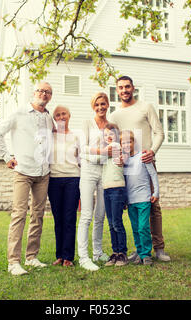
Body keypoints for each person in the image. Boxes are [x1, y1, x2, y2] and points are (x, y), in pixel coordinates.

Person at [0, 81, 55, 276]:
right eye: (40, 91)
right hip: (23, 171)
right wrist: (6, 156)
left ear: (50, 97)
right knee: (19, 214)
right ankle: (13, 262)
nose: (43, 94)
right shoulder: (19, 113)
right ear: (34, 92)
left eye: (48, 92)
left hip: (43, 173)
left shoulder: (48, 117)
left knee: (38, 215)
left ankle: (31, 257)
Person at [109, 76, 171, 262]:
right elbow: (112, 141)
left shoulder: (145, 107)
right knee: (133, 207)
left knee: (153, 205)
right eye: (120, 87)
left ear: (133, 88)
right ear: (117, 90)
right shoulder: (114, 115)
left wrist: (152, 151)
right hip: (126, 168)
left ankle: (159, 248)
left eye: (127, 86)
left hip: (145, 163)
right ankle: (139, 249)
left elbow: (159, 132)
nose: (124, 90)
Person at [77, 92, 111, 271]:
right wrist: (102, 151)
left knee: (100, 215)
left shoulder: (112, 126)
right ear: (93, 106)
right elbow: (82, 149)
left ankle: (98, 252)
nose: (100, 107)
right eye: (97, 104)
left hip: (105, 171)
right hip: (89, 170)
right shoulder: (87, 124)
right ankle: (84, 257)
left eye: (103, 104)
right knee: (87, 215)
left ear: (107, 105)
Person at [48, 105, 81, 267]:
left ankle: (68, 256)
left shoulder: (76, 136)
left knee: (69, 218)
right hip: (54, 180)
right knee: (58, 218)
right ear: (54, 118)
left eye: (64, 114)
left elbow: (81, 160)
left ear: (69, 116)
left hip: (72, 180)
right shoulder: (50, 136)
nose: (61, 117)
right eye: (58, 115)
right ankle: (59, 255)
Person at [121, 130, 159, 265]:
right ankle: (139, 252)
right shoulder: (124, 161)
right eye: (123, 142)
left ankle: (146, 254)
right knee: (136, 228)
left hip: (144, 198)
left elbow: (153, 175)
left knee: (143, 227)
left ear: (133, 142)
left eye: (129, 142)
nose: (126, 145)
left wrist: (156, 193)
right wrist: (124, 200)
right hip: (131, 200)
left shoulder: (143, 157)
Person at [101, 123, 128, 267]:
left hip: (117, 188)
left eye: (111, 134)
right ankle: (115, 253)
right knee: (111, 223)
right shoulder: (106, 151)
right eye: (105, 135)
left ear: (117, 136)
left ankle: (122, 253)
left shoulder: (116, 146)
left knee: (117, 222)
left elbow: (101, 152)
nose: (108, 137)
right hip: (107, 188)